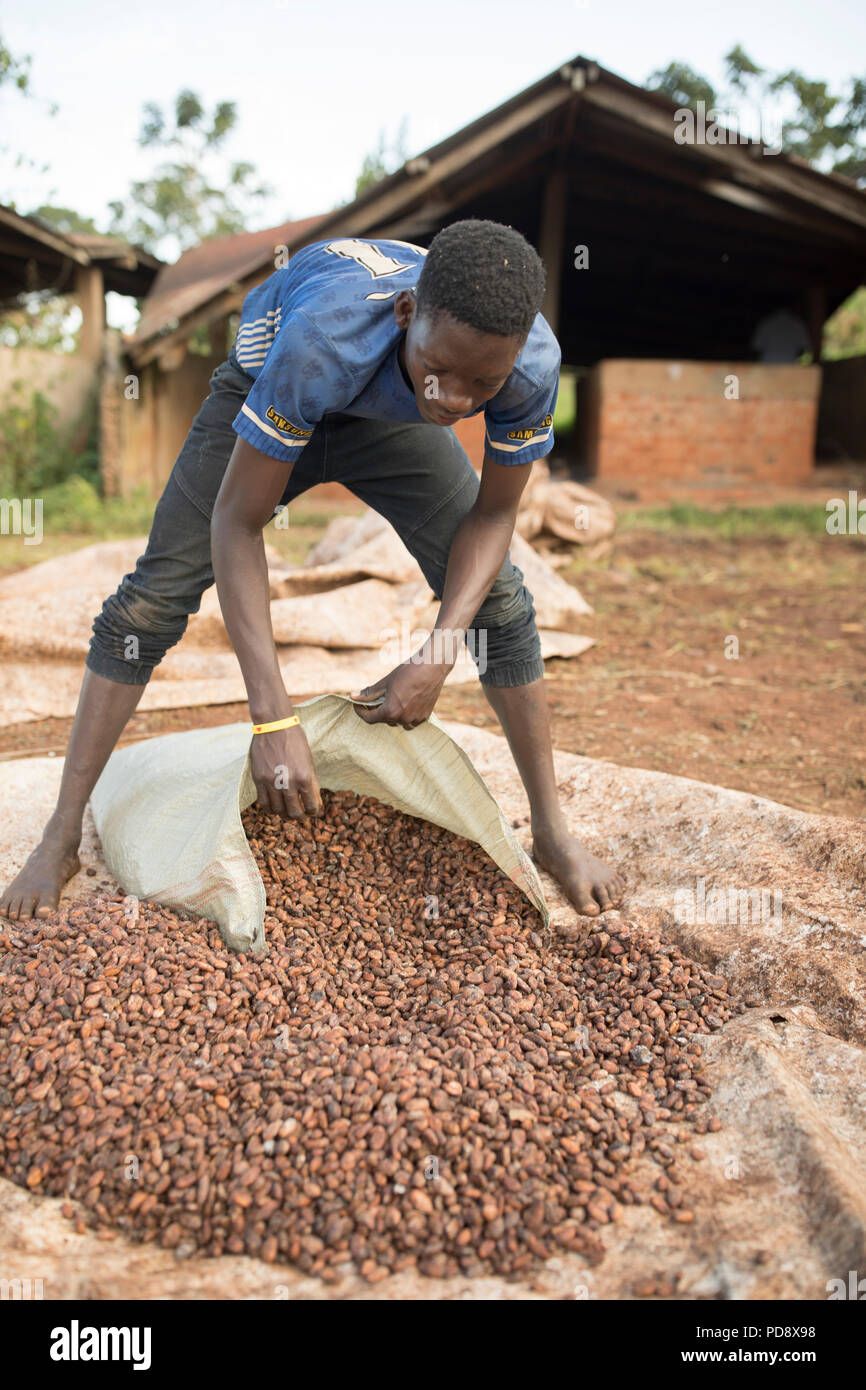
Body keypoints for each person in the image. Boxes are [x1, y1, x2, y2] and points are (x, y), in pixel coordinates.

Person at [1, 219, 625, 924]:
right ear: (407, 314)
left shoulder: (529, 364)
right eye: (441, 369)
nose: (455, 401)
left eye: (482, 383)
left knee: (503, 610)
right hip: (271, 389)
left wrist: (439, 651)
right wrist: (273, 721)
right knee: (150, 603)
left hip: (388, 420)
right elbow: (237, 523)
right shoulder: (322, 342)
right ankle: (59, 835)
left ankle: (550, 834)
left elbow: (492, 518)